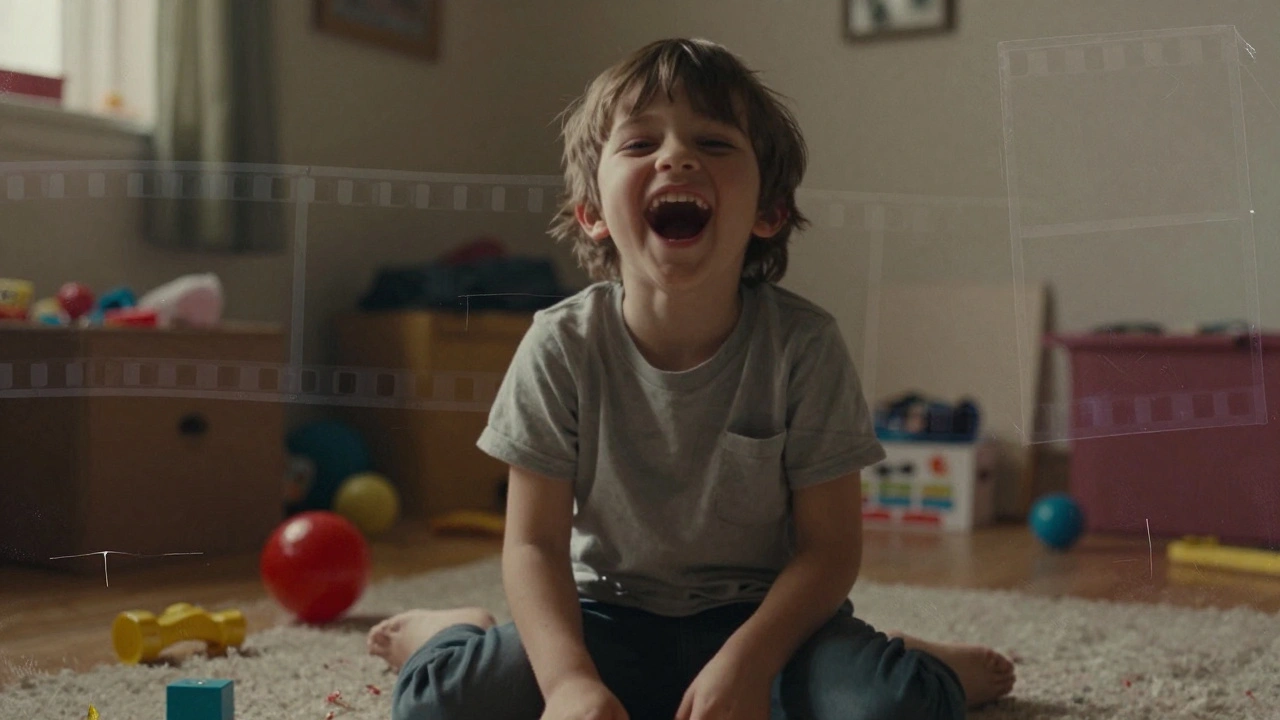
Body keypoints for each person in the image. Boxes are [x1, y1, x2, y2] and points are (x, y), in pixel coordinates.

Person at [368, 37, 1015, 720]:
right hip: (604, 615)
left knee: (894, 705)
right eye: (639, 143)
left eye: (713, 142)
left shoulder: (805, 345)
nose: (675, 157)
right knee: (439, 705)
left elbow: (829, 551)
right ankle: (448, 633)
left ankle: (922, 663)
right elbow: (532, 544)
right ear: (592, 214)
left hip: (766, 625)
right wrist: (567, 684)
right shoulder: (559, 346)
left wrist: (748, 663)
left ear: (769, 211)